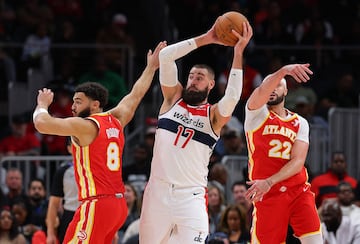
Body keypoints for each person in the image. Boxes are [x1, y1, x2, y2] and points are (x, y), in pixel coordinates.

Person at [32, 41, 166, 244]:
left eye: (78, 101)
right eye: (73, 101)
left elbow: (42, 124)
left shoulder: (85, 126)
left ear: (95, 104)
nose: (73, 106)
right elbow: (136, 94)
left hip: (97, 204)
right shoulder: (117, 119)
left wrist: (42, 105)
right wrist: (151, 67)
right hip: (118, 205)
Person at [139, 21, 253, 243]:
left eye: (199, 78)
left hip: (190, 197)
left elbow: (232, 97)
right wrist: (207, 38)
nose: (192, 81)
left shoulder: (213, 116)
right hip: (157, 193)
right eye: (191, 76)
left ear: (211, 85)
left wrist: (238, 52)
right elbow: (166, 57)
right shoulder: (172, 99)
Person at [244, 63, 323, 243]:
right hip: (268, 194)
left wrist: (270, 181)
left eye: (278, 84)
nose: (272, 88)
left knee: (315, 240)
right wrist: (283, 71)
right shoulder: (255, 113)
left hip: (297, 190)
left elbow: (298, 162)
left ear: (286, 91)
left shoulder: (300, 122)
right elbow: (264, 89)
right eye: (269, 85)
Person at [46, 136, 79, 244]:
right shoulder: (63, 171)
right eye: (76, 145)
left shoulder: (97, 169)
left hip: (93, 215)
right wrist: (50, 233)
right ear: (69, 148)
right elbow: (54, 204)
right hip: (70, 216)